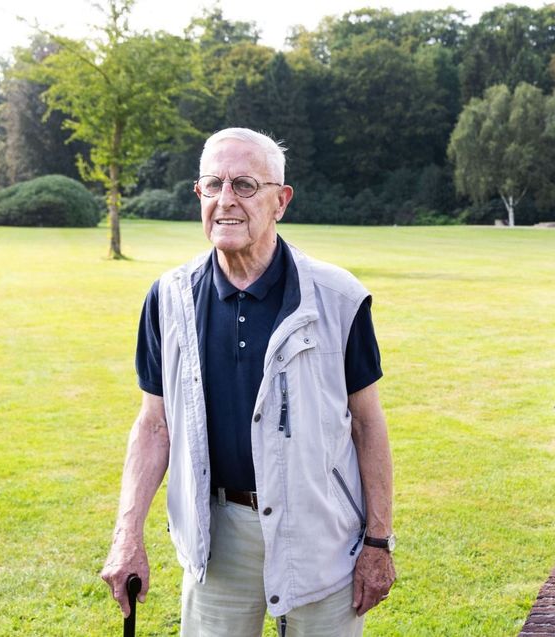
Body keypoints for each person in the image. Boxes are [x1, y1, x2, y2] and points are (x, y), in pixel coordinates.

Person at [100, 128, 396, 636]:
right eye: (212, 185)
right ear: (198, 196)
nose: (225, 201)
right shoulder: (168, 299)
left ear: (280, 201)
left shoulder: (338, 298)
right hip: (218, 540)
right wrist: (127, 535)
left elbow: (367, 426)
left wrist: (378, 542)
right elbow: (154, 427)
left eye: (244, 185)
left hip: (321, 533)